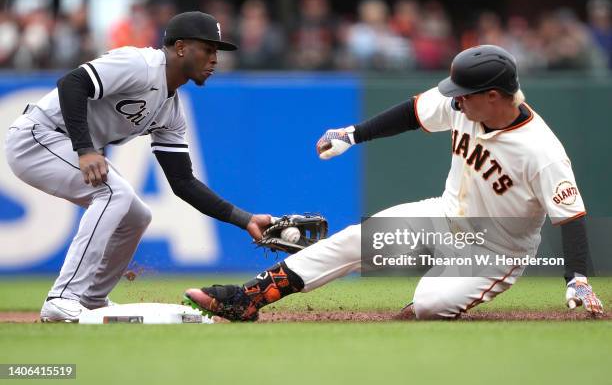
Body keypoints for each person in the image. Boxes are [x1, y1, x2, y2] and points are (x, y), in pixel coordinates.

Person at [183, 44, 603, 321]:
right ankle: (246, 299)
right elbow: (411, 113)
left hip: (496, 249)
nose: (455, 99)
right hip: (443, 215)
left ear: (494, 96)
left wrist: (577, 280)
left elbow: (571, 217)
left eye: (464, 93)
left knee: (428, 304)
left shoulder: (542, 151)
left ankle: (428, 305)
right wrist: (352, 134)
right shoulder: (465, 104)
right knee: (354, 241)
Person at [4, 11, 272, 322]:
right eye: (208, 49)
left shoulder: (171, 112)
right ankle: (63, 298)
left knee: (137, 215)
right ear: (181, 47)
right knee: (113, 193)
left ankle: (92, 300)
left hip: (62, 142)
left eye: (216, 52)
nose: (214, 59)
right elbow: (72, 83)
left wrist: (246, 219)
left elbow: (183, 182)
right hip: (37, 136)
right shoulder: (141, 65)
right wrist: (86, 149)